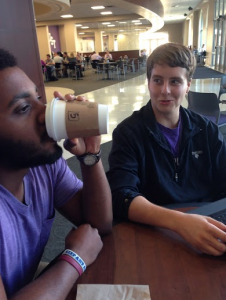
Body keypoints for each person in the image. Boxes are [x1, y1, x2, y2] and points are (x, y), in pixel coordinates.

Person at [0, 48, 112, 299]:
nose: (45, 113)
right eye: (23, 108)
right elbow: (86, 245)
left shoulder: (41, 166)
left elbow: (98, 225)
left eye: (39, 98)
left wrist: (90, 156)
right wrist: (75, 258)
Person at [107, 42, 226, 257]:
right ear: (148, 82)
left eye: (175, 82)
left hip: (207, 221)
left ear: (188, 85)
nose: (165, 91)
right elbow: (121, 196)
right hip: (154, 226)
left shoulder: (206, 130)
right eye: (158, 80)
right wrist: (181, 223)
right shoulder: (128, 133)